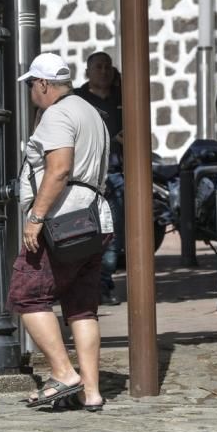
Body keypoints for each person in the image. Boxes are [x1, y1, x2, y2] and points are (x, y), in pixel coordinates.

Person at [7, 52, 113, 412]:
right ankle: (92, 392)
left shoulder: (58, 114)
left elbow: (59, 169)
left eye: (32, 87)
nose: (32, 94)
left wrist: (35, 217)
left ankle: (64, 373)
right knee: (82, 308)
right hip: (94, 219)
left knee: (26, 295)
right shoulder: (89, 111)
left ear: (43, 84)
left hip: (61, 222)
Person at [75, 52, 124, 306]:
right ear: (88, 71)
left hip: (117, 176)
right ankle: (86, 288)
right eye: (98, 67)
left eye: (108, 67)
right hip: (88, 178)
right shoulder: (79, 100)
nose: (104, 71)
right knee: (84, 235)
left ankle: (104, 286)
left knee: (112, 236)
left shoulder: (122, 97)